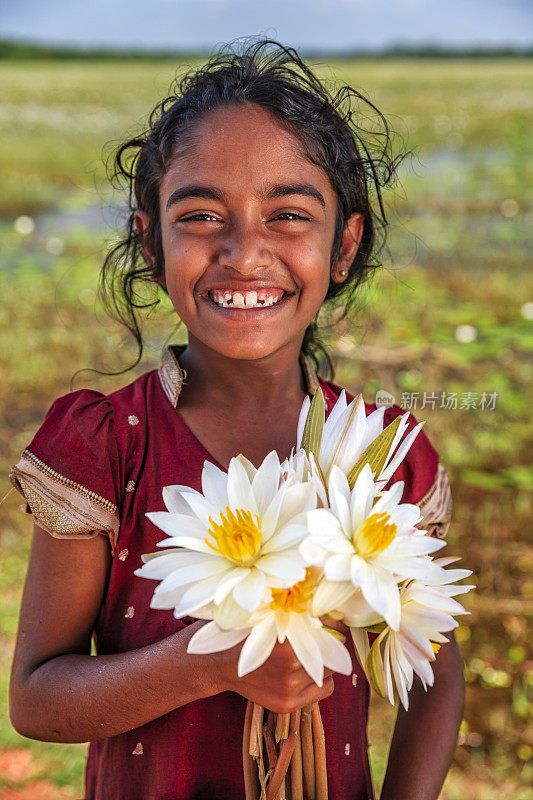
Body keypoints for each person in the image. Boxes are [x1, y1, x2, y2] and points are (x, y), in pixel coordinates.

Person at [8, 39, 463, 800]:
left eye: (287, 214)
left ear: (342, 244)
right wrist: (208, 662)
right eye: (201, 215)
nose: (244, 253)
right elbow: (36, 701)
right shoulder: (107, 448)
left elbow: (433, 675)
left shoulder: (382, 457)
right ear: (151, 242)